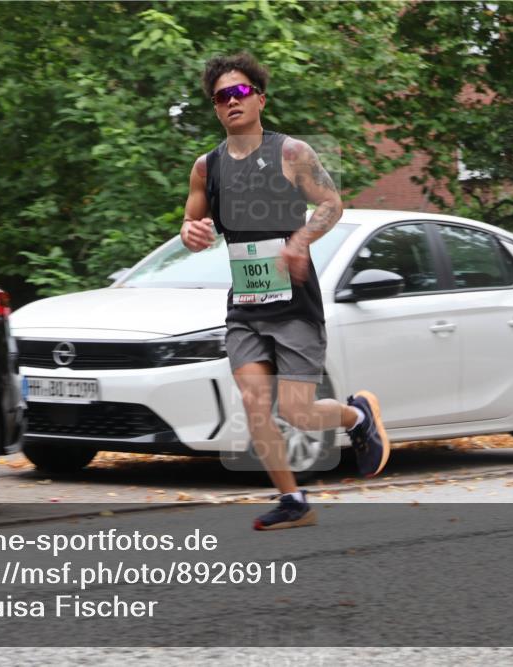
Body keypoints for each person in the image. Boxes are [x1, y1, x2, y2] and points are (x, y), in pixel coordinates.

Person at [181, 52, 389, 531]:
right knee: (255, 404)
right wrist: (190, 234)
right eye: (220, 97)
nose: (230, 102)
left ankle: (356, 417)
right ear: (214, 108)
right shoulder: (205, 168)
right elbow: (192, 224)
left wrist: (300, 240)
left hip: (294, 301)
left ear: (259, 98)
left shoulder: (290, 153)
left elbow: (332, 204)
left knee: (297, 412)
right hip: (245, 306)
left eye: (238, 92)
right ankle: (293, 500)